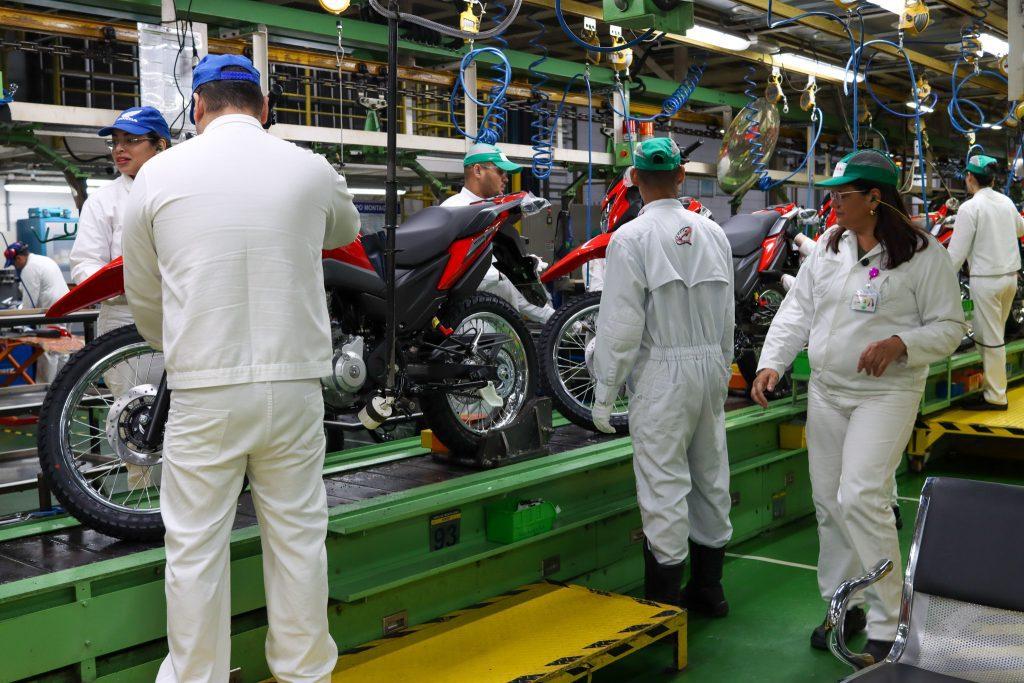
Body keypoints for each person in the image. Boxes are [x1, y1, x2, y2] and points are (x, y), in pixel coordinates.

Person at [121, 54, 360, 682]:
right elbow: (345, 228)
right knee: (298, 536)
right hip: (295, 384)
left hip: (204, 388)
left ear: (198, 107)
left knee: (195, 547)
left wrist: (184, 344)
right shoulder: (309, 167)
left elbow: (142, 290)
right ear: (264, 108)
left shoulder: (157, 174)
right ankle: (304, 672)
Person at [751, 150, 965, 663]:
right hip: (827, 391)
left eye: (843, 195)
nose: (833, 203)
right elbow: (798, 309)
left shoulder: (922, 255)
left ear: (874, 198)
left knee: (862, 496)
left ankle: (890, 625)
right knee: (829, 504)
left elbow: (950, 327)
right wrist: (772, 362)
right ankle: (843, 606)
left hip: (885, 394)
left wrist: (901, 343)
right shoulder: (830, 245)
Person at [590, 137, 734, 613]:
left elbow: (620, 326)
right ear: (681, 176)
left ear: (634, 179)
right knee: (711, 477)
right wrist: (721, 366)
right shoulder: (713, 234)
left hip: (661, 376)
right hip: (710, 368)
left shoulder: (630, 238)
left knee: (663, 486)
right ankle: (709, 590)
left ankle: (665, 607)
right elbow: (728, 316)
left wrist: (605, 395)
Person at [70, 106, 171, 335]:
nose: (119, 149)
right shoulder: (102, 201)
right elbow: (85, 262)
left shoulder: (181, 191)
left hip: (177, 309)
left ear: (160, 145)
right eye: (114, 141)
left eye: (131, 140)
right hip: (123, 315)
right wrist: (121, 288)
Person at [442, 142, 555, 323]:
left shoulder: (494, 215)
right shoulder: (453, 211)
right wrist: (502, 273)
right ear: (478, 170)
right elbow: (452, 277)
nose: (506, 179)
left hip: (500, 328)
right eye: (500, 171)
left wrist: (562, 321)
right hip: (468, 328)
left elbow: (514, 293)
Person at [947, 154, 1024, 410]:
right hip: (1010, 279)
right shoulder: (1006, 202)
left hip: (987, 282)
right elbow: (1021, 229)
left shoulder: (970, 208)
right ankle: (994, 386)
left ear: (970, 178)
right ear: (992, 179)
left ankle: (995, 396)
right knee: (991, 335)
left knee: (989, 339)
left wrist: (937, 281)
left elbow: (956, 254)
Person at [4, 242, 70, 383]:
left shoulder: (29, 269)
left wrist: (16, 320)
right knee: (62, 349)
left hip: (51, 311)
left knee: (48, 350)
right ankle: (64, 386)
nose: (15, 267)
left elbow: (30, 305)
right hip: (66, 306)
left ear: (19, 258)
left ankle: (44, 391)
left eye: (14, 264)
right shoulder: (43, 259)